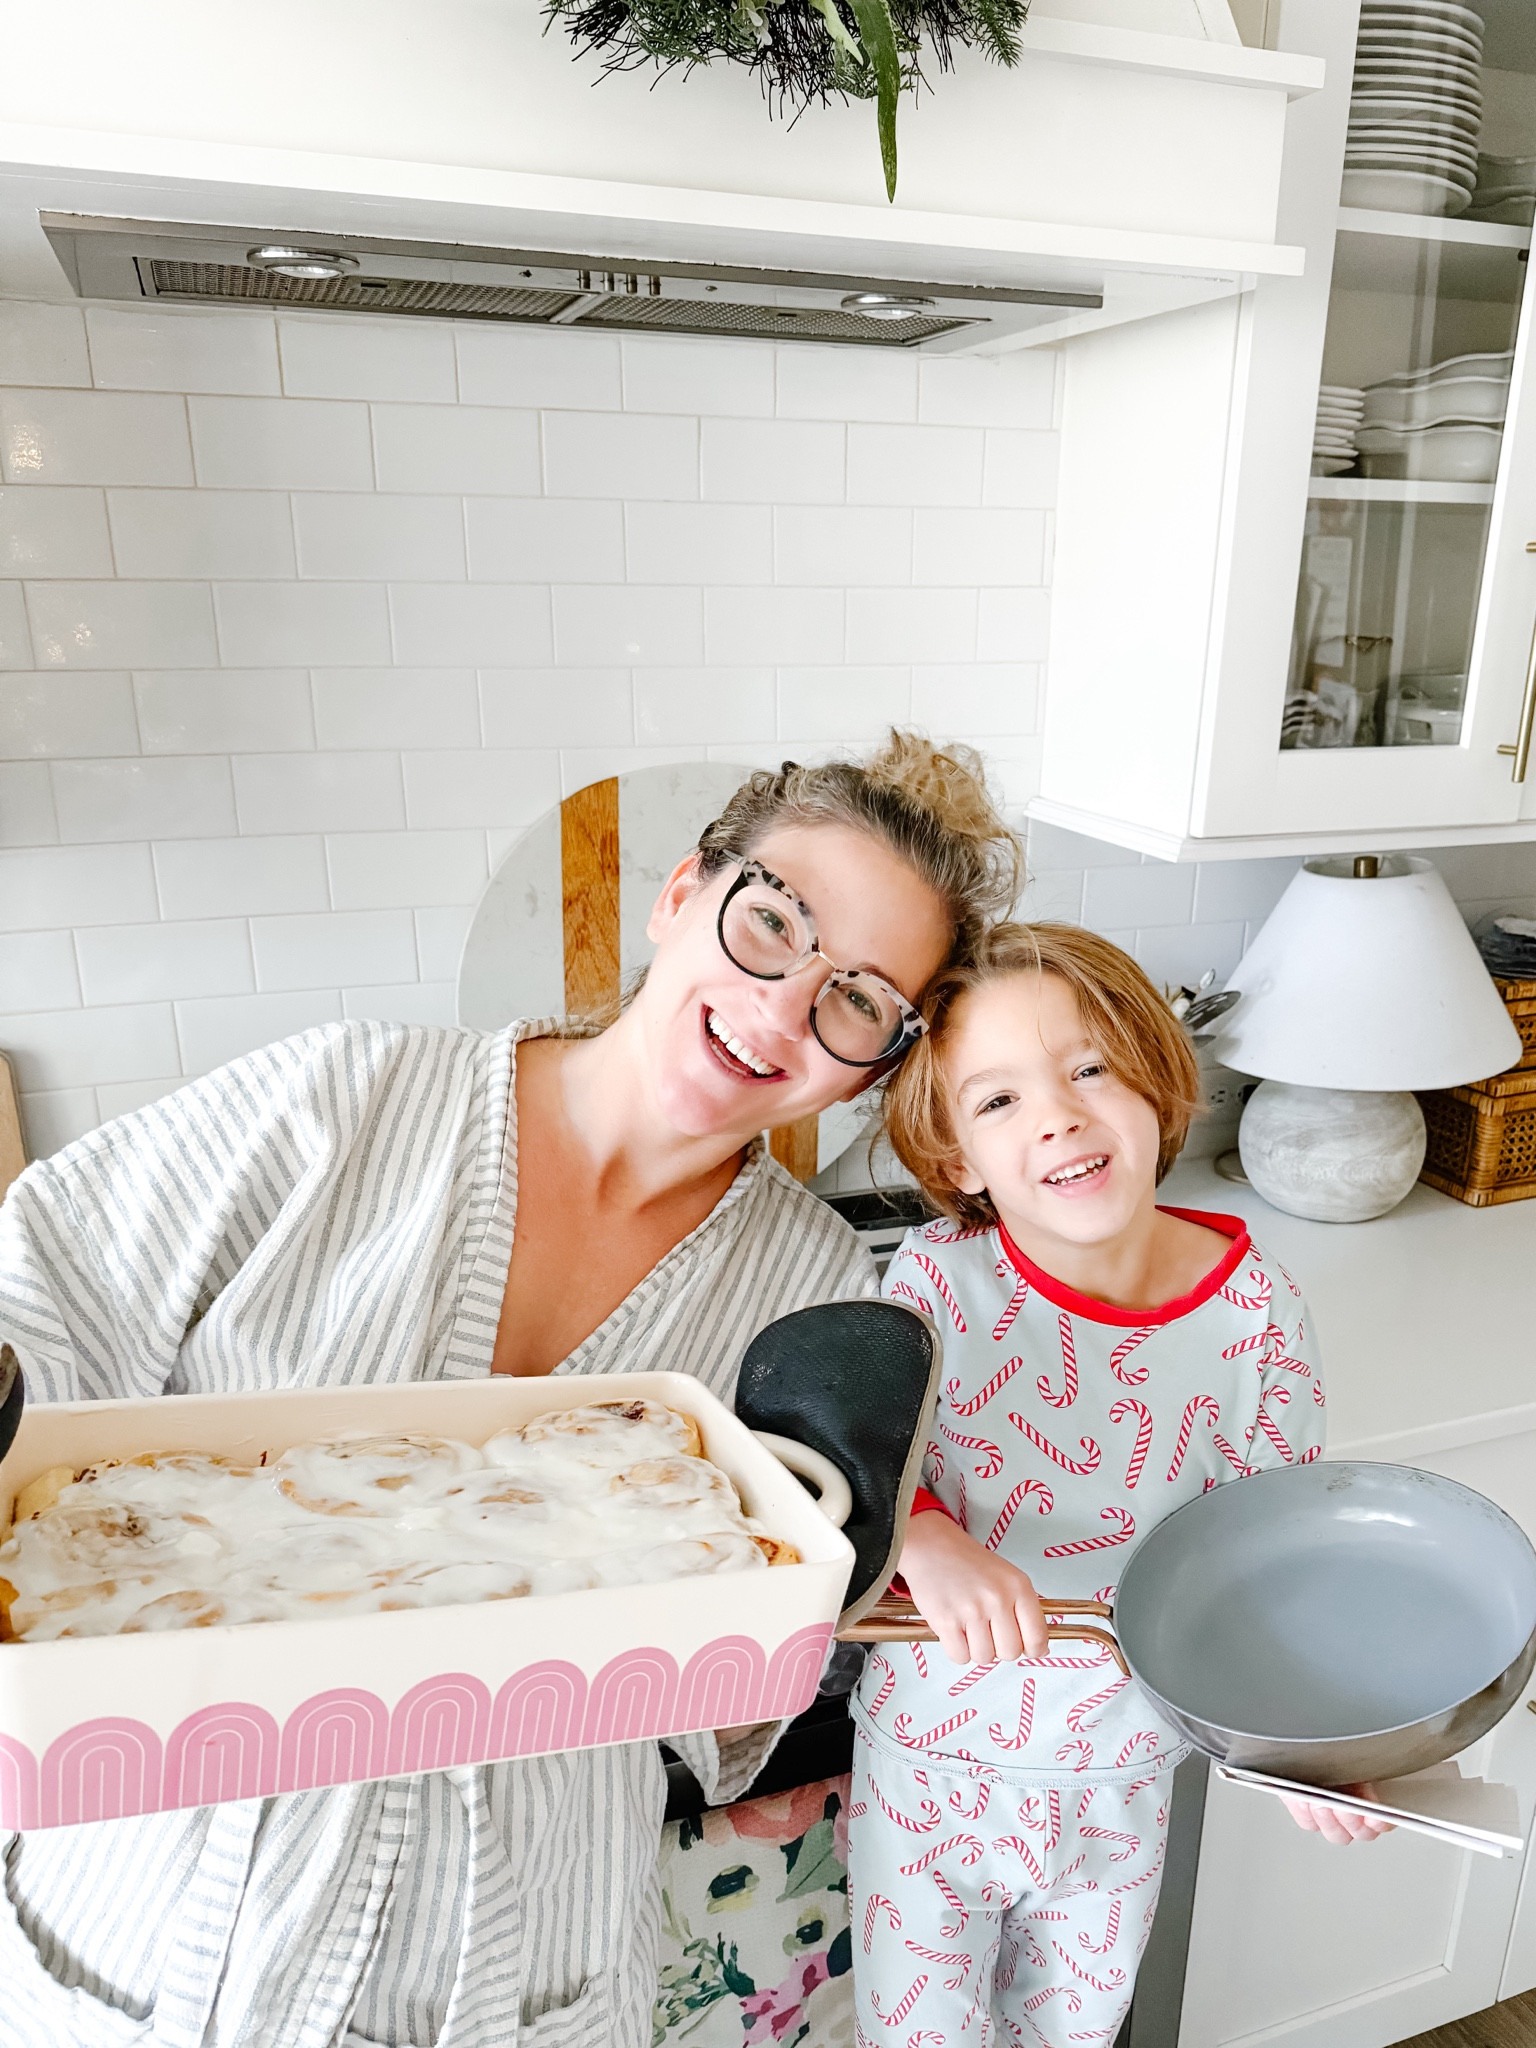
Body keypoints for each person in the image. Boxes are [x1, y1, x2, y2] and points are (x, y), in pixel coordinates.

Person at [0, 735, 1022, 2048]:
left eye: (858, 999)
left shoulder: (812, 1292)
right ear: (678, 895)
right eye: (773, 922)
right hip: (147, 1928)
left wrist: (837, 1572)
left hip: (511, 1969)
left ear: (880, 1057)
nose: (781, 1011)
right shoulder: (343, 1099)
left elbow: (732, 1709)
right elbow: (38, 1303)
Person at [848, 922, 1388, 2048]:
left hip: (1123, 1777)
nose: (1057, 1113)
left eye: (1089, 1065)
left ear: (1154, 1072)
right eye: (997, 1101)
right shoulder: (937, 1280)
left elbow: (1267, 1561)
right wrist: (928, 1537)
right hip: (930, 1768)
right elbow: (860, 1465)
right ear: (957, 1161)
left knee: (1077, 2034)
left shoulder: (1256, 1310)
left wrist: (1302, 1740)